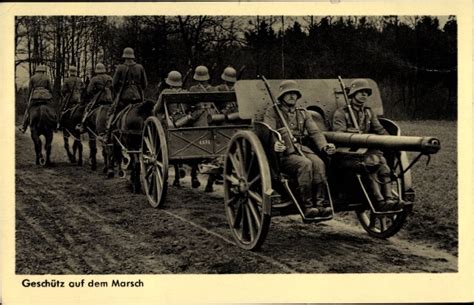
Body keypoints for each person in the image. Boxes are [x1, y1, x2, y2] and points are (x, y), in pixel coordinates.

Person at [264, 80, 336, 218]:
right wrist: (275, 144)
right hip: (284, 153)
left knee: (319, 163)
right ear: (281, 96)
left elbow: (315, 132)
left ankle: (320, 205)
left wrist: (324, 146)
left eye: (294, 94)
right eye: (288, 93)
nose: (292, 96)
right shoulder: (272, 112)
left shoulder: (303, 113)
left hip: (301, 148)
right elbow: (269, 132)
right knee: (305, 164)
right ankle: (307, 206)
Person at [332, 78, 403, 211]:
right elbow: (338, 135)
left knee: (384, 167)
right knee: (371, 166)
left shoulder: (369, 112)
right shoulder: (342, 113)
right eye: (360, 92)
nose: (364, 95)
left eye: (366, 92)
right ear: (352, 95)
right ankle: (379, 201)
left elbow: (379, 129)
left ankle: (389, 198)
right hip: (347, 154)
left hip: (366, 152)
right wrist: (351, 133)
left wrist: (392, 141)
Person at [104, 47, 147, 143]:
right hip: (138, 99)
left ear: (124, 56)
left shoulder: (120, 68)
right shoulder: (140, 67)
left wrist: (118, 92)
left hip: (124, 99)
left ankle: (107, 135)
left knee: (111, 113)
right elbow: (145, 84)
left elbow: (114, 84)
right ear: (133, 56)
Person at [76, 63, 113, 132]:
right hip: (110, 100)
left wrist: (94, 94)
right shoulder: (110, 78)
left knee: (87, 109)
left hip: (98, 100)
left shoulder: (95, 79)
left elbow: (89, 91)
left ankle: (82, 124)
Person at [19, 65, 53, 133]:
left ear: (36, 71)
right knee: (52, 109)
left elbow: (30, 90)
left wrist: (29, 98)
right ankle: (55, 124)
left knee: (28, 110)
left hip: (35, 97)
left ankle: (24, 126)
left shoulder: (33, 78)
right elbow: (50, 89)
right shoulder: (47, 78)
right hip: (46, 97)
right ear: (43, 71)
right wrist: (51, 96)